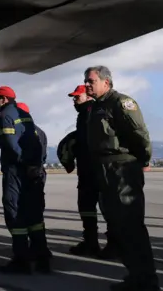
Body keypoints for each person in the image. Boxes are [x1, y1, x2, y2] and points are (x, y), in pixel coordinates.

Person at [84, 66, 159, 291]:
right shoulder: (97, 106)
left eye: (91, 81)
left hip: (122, 171)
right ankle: (135, 276)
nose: (87, 84)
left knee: (131, 226)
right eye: (86, 81)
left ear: (106, 82)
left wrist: (142, 161)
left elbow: (140, 135)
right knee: (118, 226)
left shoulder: (121, 103)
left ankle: (146, 282)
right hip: (106, 171)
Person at [0, 87, 50, 274]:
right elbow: (34, 142)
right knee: (34, 215)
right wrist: (33, 165)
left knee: (14, 212)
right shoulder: (24, 114)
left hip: (16, 170)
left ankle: (21, 260)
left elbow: (10, 144)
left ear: (4, 99)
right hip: (31, 170)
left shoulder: (5, 116)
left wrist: (23, 163)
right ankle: (42, 257)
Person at [66, 85, 118, 259]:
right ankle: (91, 243)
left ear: (87, 96)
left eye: (77, 97)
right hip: (89, 168)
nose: (74, 100)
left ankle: (109, 245)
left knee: (103, 207)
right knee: (88, 207)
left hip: (93, 169)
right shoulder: (84, 113)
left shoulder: (90, 111)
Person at [16, 102, 52, 263]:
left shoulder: (25, 132)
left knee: (26, 212)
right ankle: (40, 248)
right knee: (37, 213)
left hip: (28, 174)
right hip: (39, 173)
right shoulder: (41, 132)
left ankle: (33, 250)